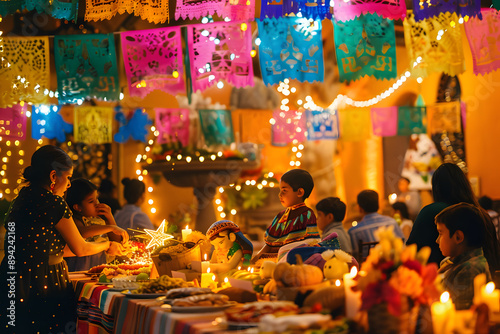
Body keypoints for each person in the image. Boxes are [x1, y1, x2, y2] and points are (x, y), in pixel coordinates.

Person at [0, 145, 126, 333]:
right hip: (41, 282)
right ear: (53, 176)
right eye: (67, 177)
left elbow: (51, 247)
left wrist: (108, 230)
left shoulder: (22, 198)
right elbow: (80, 249)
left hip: (12, 277)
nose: (68, 184)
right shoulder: (53, 202)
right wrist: (107, 244)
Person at [407, 163, 500, 272]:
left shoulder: (433, 211)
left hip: (440, 280)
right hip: (488, 279)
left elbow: (411, 251)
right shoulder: (482, 214)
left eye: (440, 233)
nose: (438, 240)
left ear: (436, 188)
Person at [252, 169, 319, 263]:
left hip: (293, 261)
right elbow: (269, 244)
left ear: (299, 192)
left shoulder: (307, 214)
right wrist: (257, 256)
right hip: (270, 261)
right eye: (280, 190)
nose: (280, 195)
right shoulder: (280, 216)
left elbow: (311, 243)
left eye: (284, 190)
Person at [435, 203, 492, 310]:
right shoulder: (452, 262)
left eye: (441, 233)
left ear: (458, 237)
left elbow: (457, 311)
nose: (437, 240)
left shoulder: (470, 270)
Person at [65, 178, 129, 272]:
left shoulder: (99, 220)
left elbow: (117, 240)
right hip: (80, 270)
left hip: (100, 268)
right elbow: (82, 232)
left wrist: (109, 218)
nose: (96, 203)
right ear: (77, 207)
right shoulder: (75, 220)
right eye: (91, 201)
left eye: (97, 199)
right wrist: (111, 228)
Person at [348, 190, 404, 258]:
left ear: (360, 208)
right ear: (378, 205)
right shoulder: (392, 222)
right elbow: (402, 245)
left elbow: (353, 258)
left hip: (366, 267)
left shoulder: (354, 231)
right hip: (392, 265)